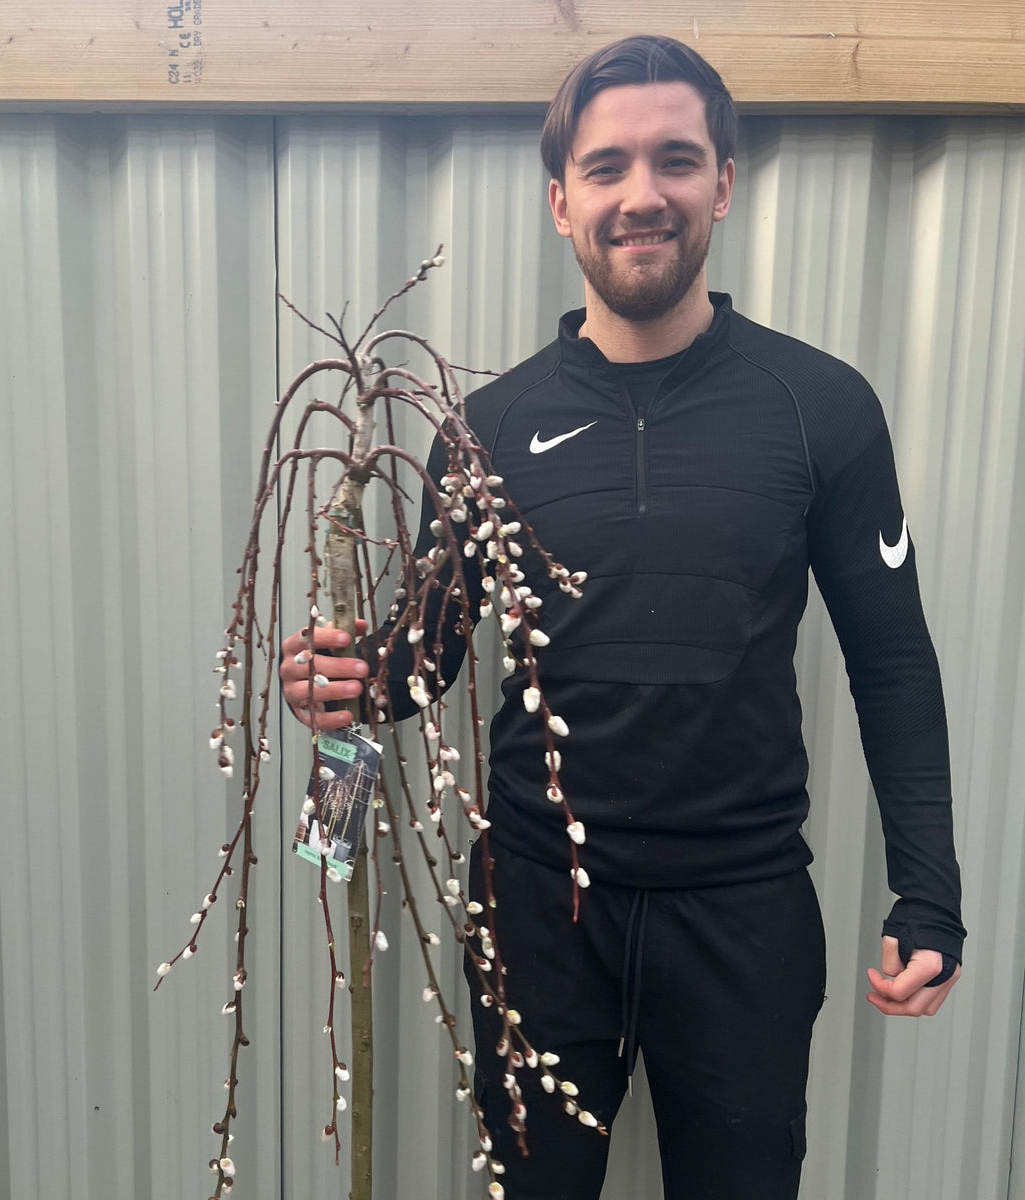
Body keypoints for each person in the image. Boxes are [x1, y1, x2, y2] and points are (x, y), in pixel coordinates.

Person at [279, 34, 964, 1200]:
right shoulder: (482, 433)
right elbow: (424, 661)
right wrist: (340, 686)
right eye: (607, 168)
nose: (642, 194)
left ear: (724, 183)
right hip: (540, 912)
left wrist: (928, 891)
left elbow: (891, 660)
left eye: (675, 160)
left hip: (746, 916)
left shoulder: (821, 410)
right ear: (561, 201)